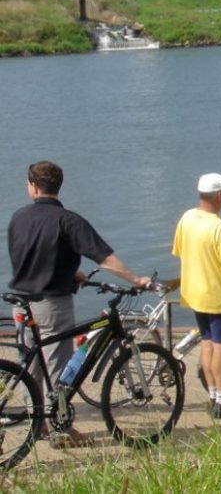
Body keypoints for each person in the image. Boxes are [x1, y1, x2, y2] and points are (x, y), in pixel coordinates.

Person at [7, 161, 150, 447]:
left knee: (32, 366)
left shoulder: (18, 217)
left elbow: (29, 256)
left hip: (21, 303)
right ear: (59, 186)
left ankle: (38, 424)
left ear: (32, 186)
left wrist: (68, 273)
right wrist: (136, 279)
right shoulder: (68, 221)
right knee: (56, 369)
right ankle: (58, 430)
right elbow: (105, 258)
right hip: (52, 305)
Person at [172, 172, 221, 420]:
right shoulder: (220, 228)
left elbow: (179, 251)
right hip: (217, 298)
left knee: (207, 344)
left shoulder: (187, 218)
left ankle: (213, 396)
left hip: (194, 293)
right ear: (219, 195)